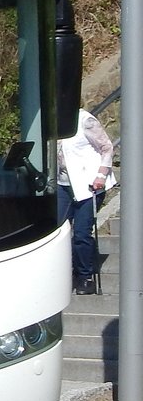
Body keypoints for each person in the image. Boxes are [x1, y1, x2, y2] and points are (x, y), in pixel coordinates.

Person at [58, 108, 115, 295]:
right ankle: (62, 275)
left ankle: (85, 276)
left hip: (89, 185)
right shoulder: (48, 122)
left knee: (81, 232)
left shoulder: (85, 120)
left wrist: (100, 175)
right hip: (63, 184)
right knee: (57, 232)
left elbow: (107, 147)